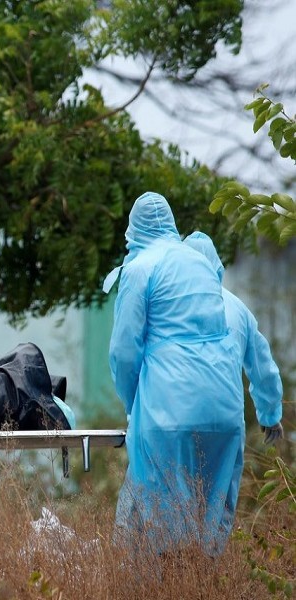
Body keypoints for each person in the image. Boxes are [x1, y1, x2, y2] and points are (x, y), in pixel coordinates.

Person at [104, 192, 244, 556]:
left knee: (156, 536)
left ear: (132, 230)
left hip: (169, 414)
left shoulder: (139, 269)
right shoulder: (199, 263)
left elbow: (123, 352)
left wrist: (135, 404)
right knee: (209, 526)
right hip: (226, 410)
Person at [184, 231, 285, 446]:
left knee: (173, 479)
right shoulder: (239, 309)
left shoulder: (167, 308)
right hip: (227, 419)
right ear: (216, 265)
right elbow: (263, 368)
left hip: (175, 417)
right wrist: (270, 415)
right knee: (223, 480)